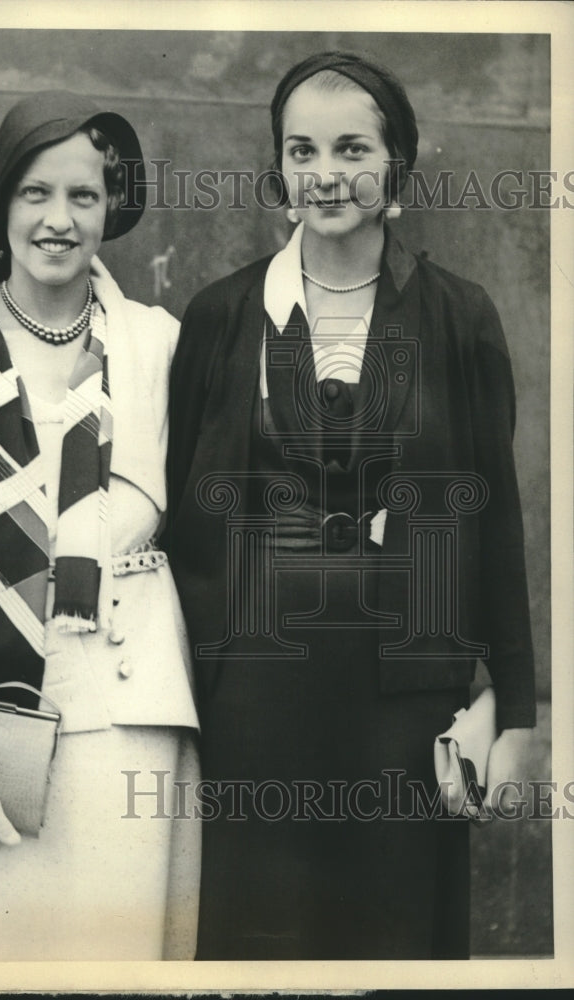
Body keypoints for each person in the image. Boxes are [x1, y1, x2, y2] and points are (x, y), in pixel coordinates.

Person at [164, 51, 537, 960]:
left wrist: (514, 709)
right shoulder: (222, 316)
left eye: (350, 148)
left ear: (395, 163)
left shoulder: (458, 317)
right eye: (301, 151)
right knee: (261, 940)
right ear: (280, 169)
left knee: (395, 938)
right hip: (257, 689)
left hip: (405, 700)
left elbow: (492, 517)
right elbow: (185, 513)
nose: (324, 174)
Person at [0, 90, 200, 962]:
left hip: (119, 725)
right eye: (35, 194)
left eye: (84, 197)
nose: (59, 220)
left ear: (111, 210)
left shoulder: (159, 346)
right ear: (1, 206)